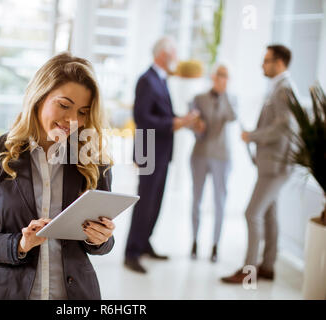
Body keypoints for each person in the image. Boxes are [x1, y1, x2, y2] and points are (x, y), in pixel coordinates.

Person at [0, 53, 116, 300]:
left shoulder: (93, 160)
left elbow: (102, 245)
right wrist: (19, 244)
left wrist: (100, 239)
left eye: (83, 112)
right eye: (64, 105)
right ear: (39, 97)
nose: (72, 120)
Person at [124, 36, 199, 274]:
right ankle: (132, 252)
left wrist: (180, 120)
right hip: (149, 148)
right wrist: (173, 122)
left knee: (156, 200)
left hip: (162, 149)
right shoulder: (146, 80)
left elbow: (160, 112)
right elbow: (142, 117)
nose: (176, 59)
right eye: (174, 54)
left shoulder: (161, 79)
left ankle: (145, 242)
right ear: (163, 55)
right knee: (145, 201)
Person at [221, 45, 295, 284]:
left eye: (266, 60)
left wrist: (253, 136)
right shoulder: (278, 89)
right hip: (271, 164)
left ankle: (249, 270)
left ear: (280, 63)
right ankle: (267, 266)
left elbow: (284, 127)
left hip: (275, 166)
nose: (262, 65)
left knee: (252, 213)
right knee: (269, 215)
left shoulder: (284, 90)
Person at [189, 64, 236, 263]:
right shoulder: (198, 99)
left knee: (219, 202)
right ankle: (194, 241)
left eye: (226, 76)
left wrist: (224, 94)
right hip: (200, 154)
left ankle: (215, 245)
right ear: (212, 76)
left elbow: (233, 117)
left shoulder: (232, 99)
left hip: (222, 156)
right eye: (219, 75)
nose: (222, 79)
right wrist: (197, 126)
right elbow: (193, 125)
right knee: (196, 199)